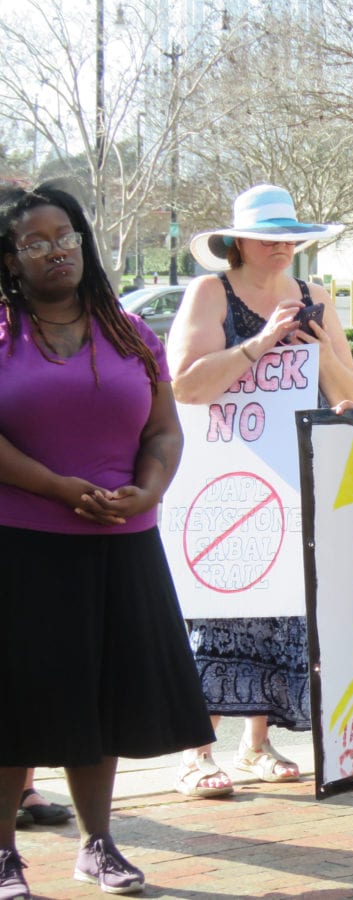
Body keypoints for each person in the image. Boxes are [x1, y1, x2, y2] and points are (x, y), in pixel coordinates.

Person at [0, 182, 215, 898]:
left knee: (104, 699)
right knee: (19, 700)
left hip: (124, 543)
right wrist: (61, 487)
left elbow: (163, 428)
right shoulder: (1, 331)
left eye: (66, 236)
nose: (57, 250)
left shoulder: (128, 330)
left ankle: (98, 844)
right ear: (10, 256)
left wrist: (151, 488)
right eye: (37, 241)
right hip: (24, 545)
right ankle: (4, 855)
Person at [166, 185, 353, 799]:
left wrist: (317, 344)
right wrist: (258, 344)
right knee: (217, 608)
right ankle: (195, 752)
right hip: (221, 476)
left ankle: (257, 744)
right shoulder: (210, 293)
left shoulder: (315, 298)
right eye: (268, 236)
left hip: (293, 476)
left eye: (289, 236)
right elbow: (186, 386)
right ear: (237, 242)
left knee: (282, 610)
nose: (281, 247)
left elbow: (348, 392)